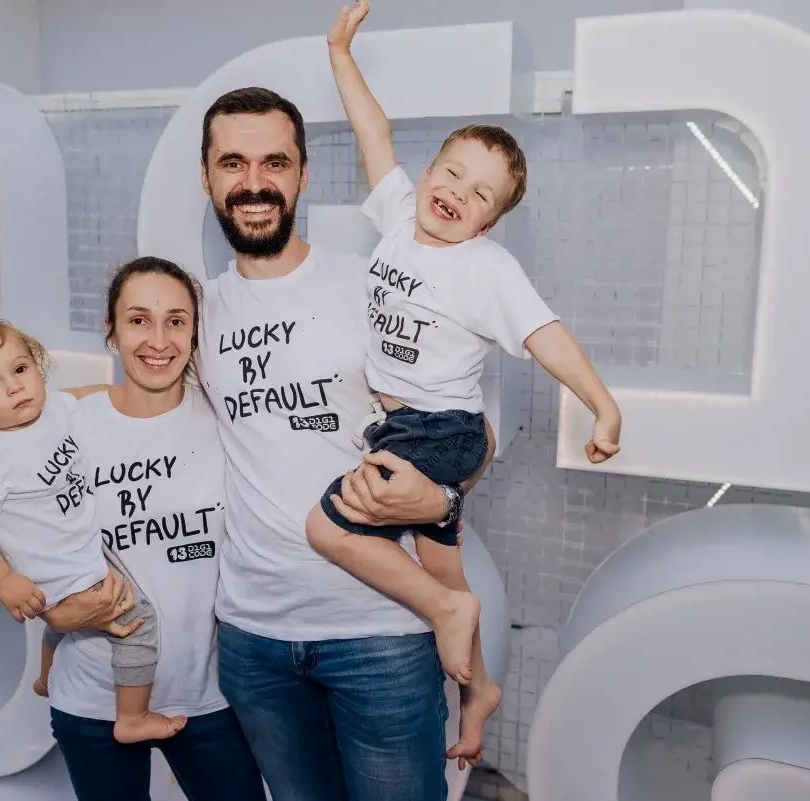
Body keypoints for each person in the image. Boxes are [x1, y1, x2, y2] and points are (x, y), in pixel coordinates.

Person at [305, 0, 623, 761]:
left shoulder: (485, 268)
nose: (457, 192)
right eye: (452, 172)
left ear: (488, 223)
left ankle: (451, 614)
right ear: (432, 169)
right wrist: (340, 52)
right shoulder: (397, 215)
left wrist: (601, 404)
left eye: (480, 194)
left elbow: (547, 336)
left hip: (438, 430)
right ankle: (478, 689)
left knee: (329, 526)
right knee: (440, 565)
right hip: (398, 424)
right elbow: (372, 133)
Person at [196, 83, 483, 800]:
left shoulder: (374, 288)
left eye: (274, 162)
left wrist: (442, 494)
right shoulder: (194, 315)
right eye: (233, 163)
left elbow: (467, 432)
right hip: (252, 639)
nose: (254, 183)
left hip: (379, 633)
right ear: (206, 174)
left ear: (302, 173)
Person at [41, 257, 267, 801]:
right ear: (112, 332)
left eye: (176, 320)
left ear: (195, 334)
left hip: (205, 694)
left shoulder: (226, 420)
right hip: (94, 698)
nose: (158, 340)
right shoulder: (65, 424)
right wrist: (53, 608)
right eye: (139, 320)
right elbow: (5, 518)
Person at [0, 317, 185, 744]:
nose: (14, 387)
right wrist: (3, 582)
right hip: (55, 572)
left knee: (64, 627)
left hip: (82, 551)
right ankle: (132, 717)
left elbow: (86, 396)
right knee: (139, 622)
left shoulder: (53, 411)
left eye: (20, 369)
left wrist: (123, 395)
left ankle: (47, 677)